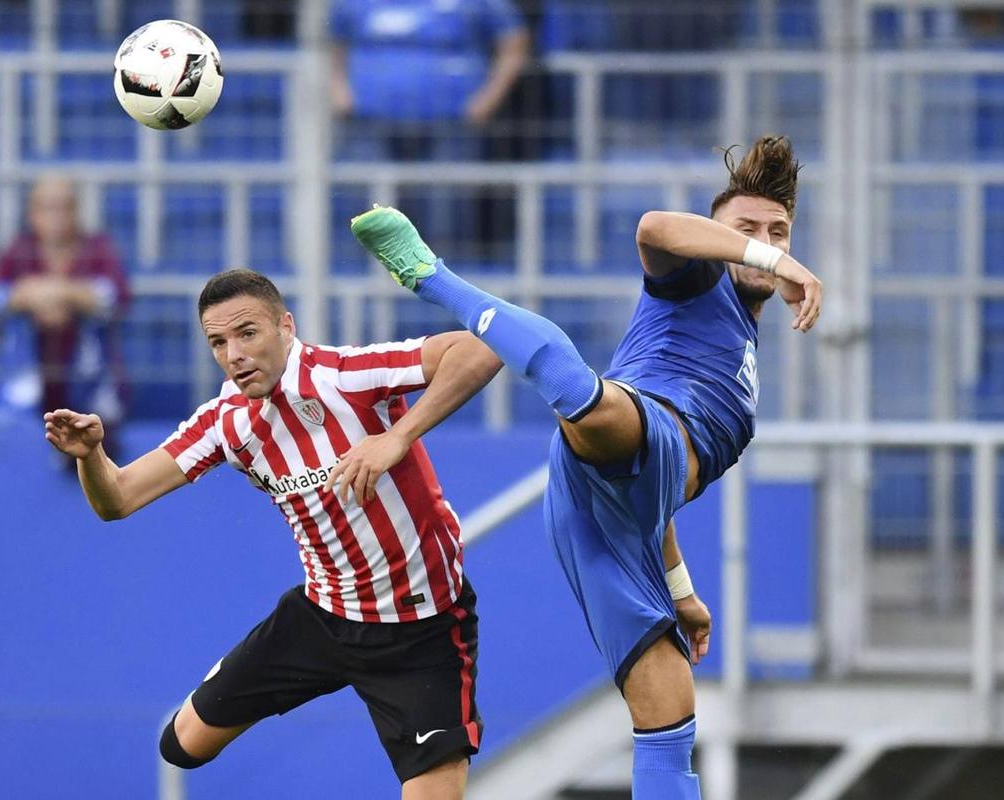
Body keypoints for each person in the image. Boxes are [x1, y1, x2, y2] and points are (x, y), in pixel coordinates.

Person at [350, 135, 823, 800]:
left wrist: (680, 587)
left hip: (618, 517)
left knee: (669, 712)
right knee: (588, 398)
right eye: (747, 229)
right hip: (632, 431)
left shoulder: (742, 347)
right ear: (718, 237)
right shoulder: (697, 279)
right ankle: (432, 276)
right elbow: (655, 227)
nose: (769, 243)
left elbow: (660, 492)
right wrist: (764, 253)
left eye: (781, 232)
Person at [42, 268, 501, 799]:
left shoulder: (344, 375)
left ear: (286, 326)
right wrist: (91, 456)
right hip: (322, 617)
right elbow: (117, 499)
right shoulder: (225, 422)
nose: (234, 353)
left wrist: (396, 437)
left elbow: (481, 350)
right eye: (218, 342)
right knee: (182, 745)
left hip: (422, 629)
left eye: (247, 333)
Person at [329, 0, 529, 261]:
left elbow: (513, 41)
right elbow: (334, 42)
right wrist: (339, 90)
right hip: (370, 120)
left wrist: (488, 98)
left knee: (444, 213)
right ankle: (372, 289)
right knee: (370, 212)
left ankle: (438, 291)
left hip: (450, 123)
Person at [0, 175, 130, 450]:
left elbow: (116, 296)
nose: (57, 216)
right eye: (48, 208)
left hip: (89, 381)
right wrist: (27, 294)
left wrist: (62, 293)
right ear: (33, 213)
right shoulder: (19, 250)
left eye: (65, 207)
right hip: (27, 381)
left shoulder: (97, 248)